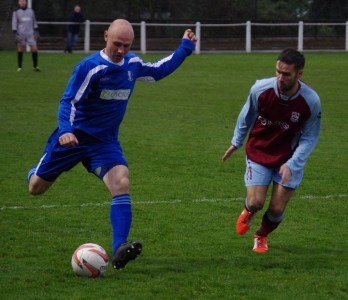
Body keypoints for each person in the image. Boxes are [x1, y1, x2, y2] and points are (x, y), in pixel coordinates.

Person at [27, 19, 197, 269]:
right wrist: (65, 131)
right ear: (105, 36)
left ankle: (119, 247)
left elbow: (158, 70)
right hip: (73, 138)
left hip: (104, 143)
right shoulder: (90, 67)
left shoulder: (132, 64)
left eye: (126, 46)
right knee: (36, 188)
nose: (121, 50)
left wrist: (184, 48)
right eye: (117, 44)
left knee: (121, 182)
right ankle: (35, 170)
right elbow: (69, 102)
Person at [222, 48, 321, 253]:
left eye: (286, 74)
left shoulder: (311, 101)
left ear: (299, 74)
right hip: (259, 151)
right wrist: (236, 141)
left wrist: (292, 164)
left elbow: (310, 137)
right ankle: (249, 209)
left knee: (276, 208)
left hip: (289, 158)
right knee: (256, 202)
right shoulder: (260, 89)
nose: (280, 78)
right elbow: (246, 115)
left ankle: (261, 235)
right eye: (278, 71)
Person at [12, 0, 40, 72]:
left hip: (30, 33)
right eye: (21, 1)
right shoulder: (16, 12)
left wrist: (36, 30)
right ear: (18, 2)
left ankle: (35, 66)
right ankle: (19, 67)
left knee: (34, 49)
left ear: (26, 2)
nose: (22, 2)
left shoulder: (31, 11)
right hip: (21, 34)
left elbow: (34, 21)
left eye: (23, 1)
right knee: (20, 49)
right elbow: (14, 22)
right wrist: (15, 33)